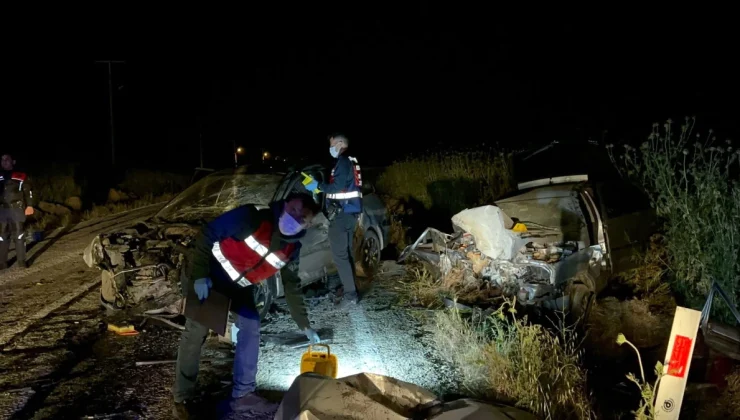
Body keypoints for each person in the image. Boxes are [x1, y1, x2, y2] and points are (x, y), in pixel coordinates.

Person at [173, 194, 321, 418]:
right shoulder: (252, 217)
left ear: (308, 225)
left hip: (240, 288)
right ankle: (182, 397)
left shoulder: (292, 249)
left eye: (302, 218)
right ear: (286, 204)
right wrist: (200, 275)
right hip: (210, 276)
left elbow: (292, 286)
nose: (295, 217)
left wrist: (304, 325)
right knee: (197, 330)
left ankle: (243, 396)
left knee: (251, 325)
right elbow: (207, 234)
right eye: (294, 209)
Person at [304, 133, 362, 307]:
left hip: (341, 215)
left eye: (332, 145)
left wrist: (317, 186)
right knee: (347, 255)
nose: (330, 149)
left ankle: (351, 295)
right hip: (350, 213)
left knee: (340, 257)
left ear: (340, 144)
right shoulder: (352, 161)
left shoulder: (343, 162)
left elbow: (337, 187)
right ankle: (352, 289)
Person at [0, 154, 35, 269]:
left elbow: (28, 191)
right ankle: (2, 263)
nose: (4, 162)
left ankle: (21, 261)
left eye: (7, 159)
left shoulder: (21, 175)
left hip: (17, 208)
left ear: (13, 161)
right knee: (2, 236)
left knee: (19, 235)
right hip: (3, 210)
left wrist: (29, 205)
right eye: (2, 160)